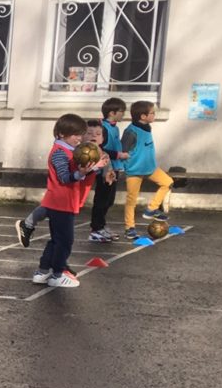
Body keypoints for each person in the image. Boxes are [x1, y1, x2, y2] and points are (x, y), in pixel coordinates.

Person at [33, 114, 105, 288]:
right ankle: (57, 274)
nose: (79, 139)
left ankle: (43, 271)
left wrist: (93, 168)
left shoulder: (69, 151)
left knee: (56, 240)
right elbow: (65, 178)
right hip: (60, 203)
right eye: (75, 135)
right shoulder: (59, 153)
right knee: (65, 241)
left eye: (80, 135)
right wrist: (83, 172)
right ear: (60, 134)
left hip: (64, 202)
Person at [120, 100, 173, 237]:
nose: (154, 115)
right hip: (134, 170)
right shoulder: (131, 132)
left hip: (150, 168)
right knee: (131, 200)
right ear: (143, 116)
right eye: (152, 113)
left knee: (167, 182)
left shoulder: (147, 128)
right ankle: (129, 228)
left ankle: (151, 209)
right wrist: (120, 167)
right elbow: (122, 151)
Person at [89, 99, 127, 242]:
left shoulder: (115, 128)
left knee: (109, 200)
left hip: (115, 167)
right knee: (102, 199)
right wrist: (118, 154)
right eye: (121, 112)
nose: (123, 115)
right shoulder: (102, 128)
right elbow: (100, 149)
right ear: (112, 113)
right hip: (104, 168)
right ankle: (96, 229)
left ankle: (101, 226)